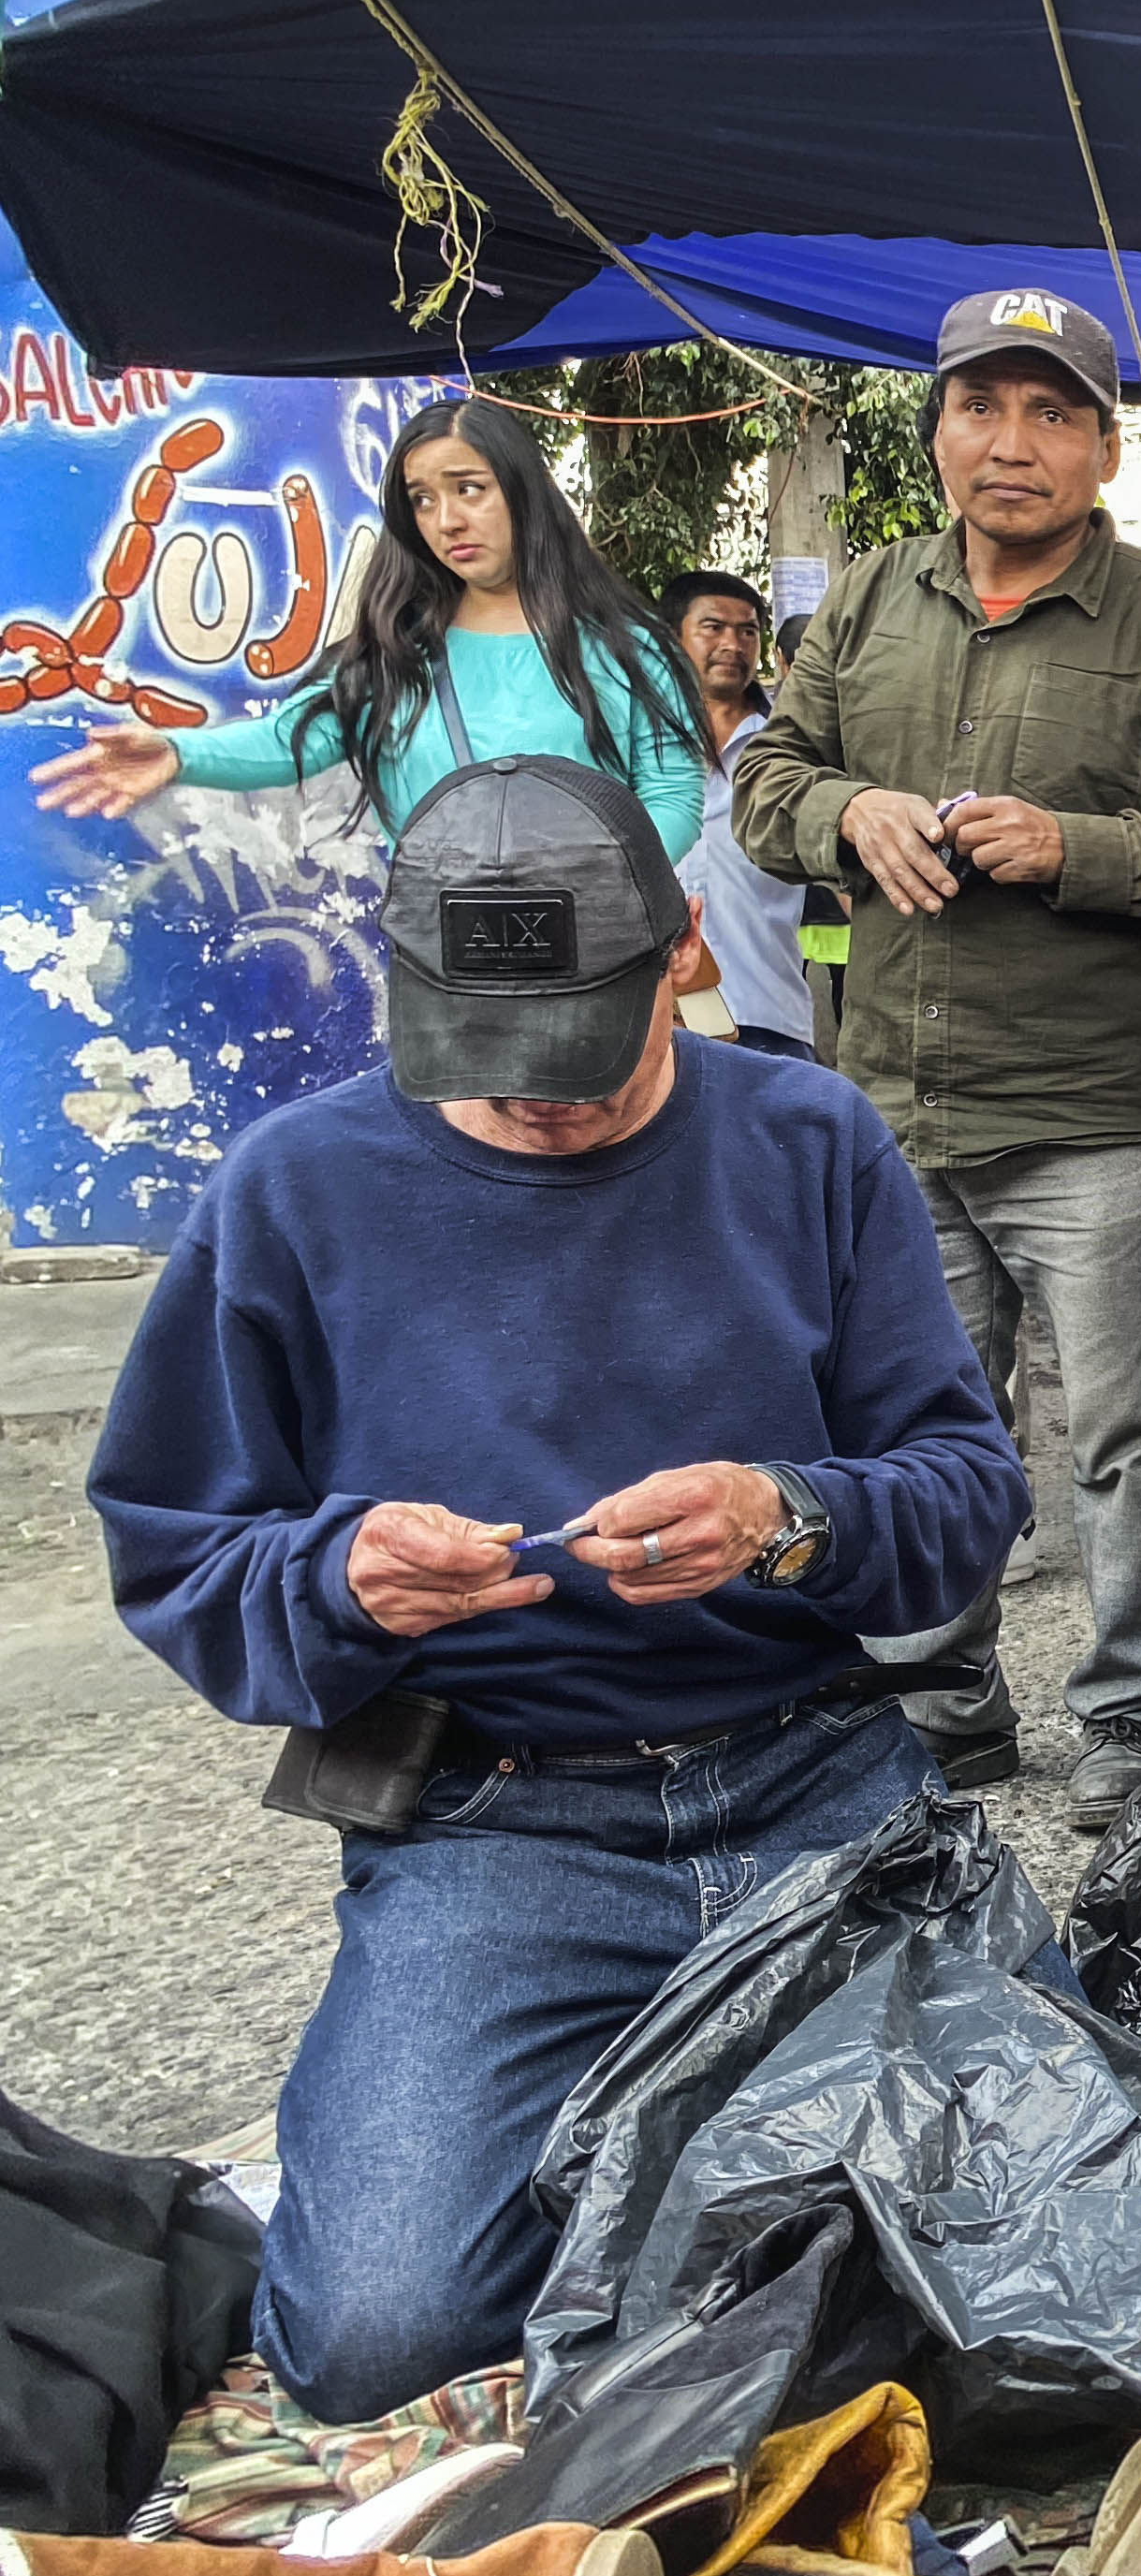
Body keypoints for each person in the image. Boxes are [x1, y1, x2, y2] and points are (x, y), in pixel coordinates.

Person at [85, 758, 1024, 2422]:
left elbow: (966, 1499)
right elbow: (175, 1554)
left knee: (1041, 2249)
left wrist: (787, 1515)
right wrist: (336, 1576)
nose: (545, 1104)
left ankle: (684, 2163)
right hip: (497, 1819)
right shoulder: (297, 1190)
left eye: (584, 1063)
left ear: (675, 956)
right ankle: (653, 2142)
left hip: (817, 1773)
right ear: (411, 988)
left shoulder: (809, 1138)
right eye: (499, 1066)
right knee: (377, 2341)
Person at [732, 286, 1141, 1827]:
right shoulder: (864, 602)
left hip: (1094, 1112)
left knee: (1131, 1430)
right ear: (935, 431)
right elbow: (768, 780)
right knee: (931, 1425)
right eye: (981, 407)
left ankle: (1138, 1715)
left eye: (1051, 413)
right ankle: (943, 1700)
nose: (1012, 444)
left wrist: (1079, 847)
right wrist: (841, 812)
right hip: (896, 1104)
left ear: (1104, 451)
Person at [29, 395, 702, 857]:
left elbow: (672, 794)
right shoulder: (397, 653)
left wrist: (600, 888)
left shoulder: (626, 646)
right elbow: (294, 737)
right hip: (442, 969)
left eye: (469, 488)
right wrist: (182, 754)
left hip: (601, 968)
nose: (447, 520)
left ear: (522, 490)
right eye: (423, 499)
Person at [658, 565, 818, 1060]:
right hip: (652, 1017)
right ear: (670, 639)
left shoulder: (793, 746)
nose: (733, 643)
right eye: (713, 627)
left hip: (767, 1011)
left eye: (747, 630)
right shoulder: (635, 745)